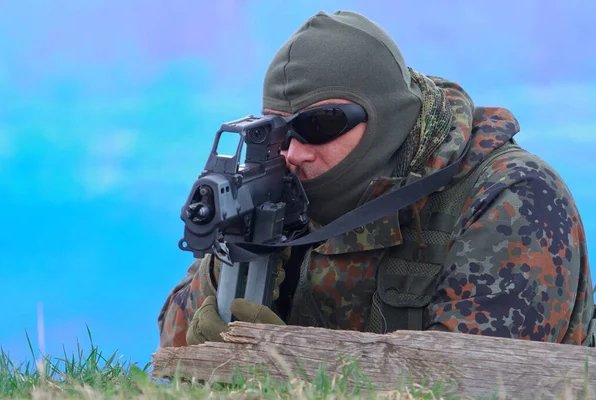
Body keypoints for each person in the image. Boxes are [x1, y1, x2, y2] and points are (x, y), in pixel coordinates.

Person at [158, 10, 595, 347]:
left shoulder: (510, 198)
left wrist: (291, 363)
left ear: (387, 117)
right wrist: (225, 265)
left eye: (321, 123)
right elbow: (169, 351)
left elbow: (482, 379)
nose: (295, 151)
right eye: (280, 130)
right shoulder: (282, 193)